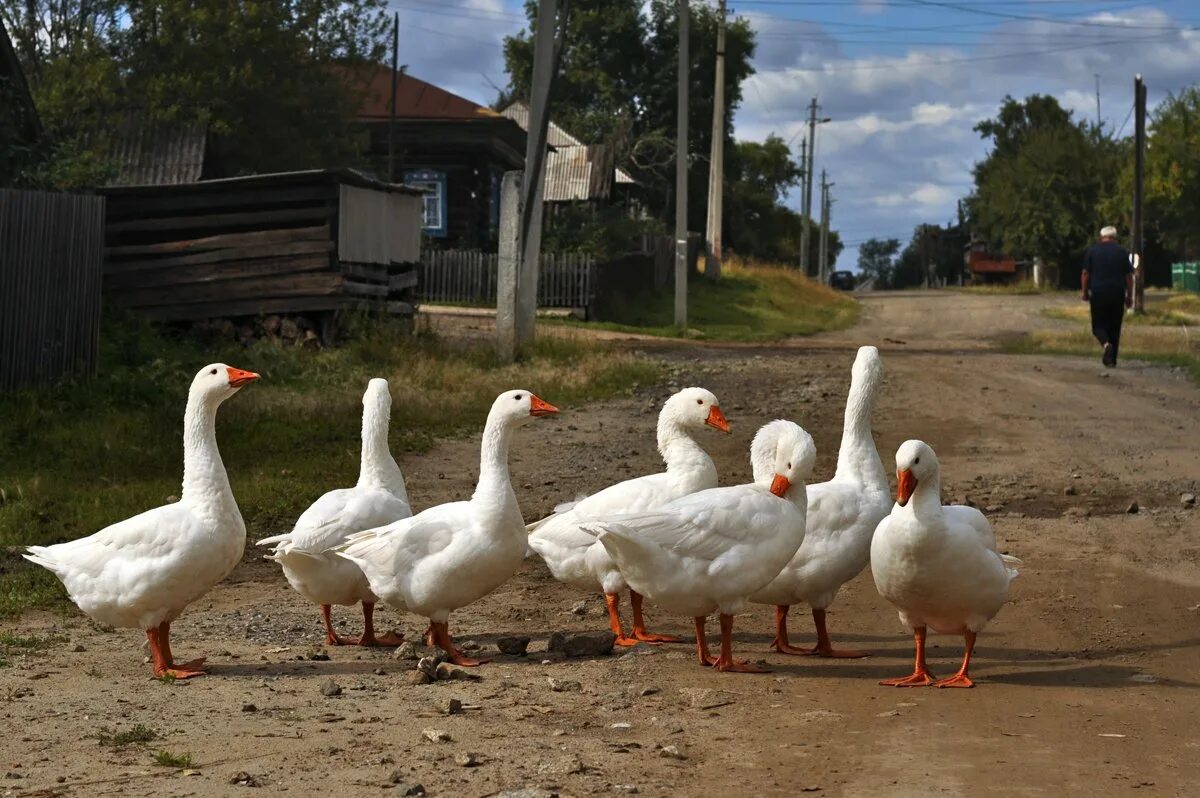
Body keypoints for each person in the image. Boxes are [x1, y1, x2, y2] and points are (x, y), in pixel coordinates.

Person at [1081, 225, 1133, 367]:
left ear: (1100, 237)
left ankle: (1105, 344)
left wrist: (1085, 292)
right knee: (1115, 327)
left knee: (1098, 326)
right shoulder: (1122, 252)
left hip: (1099, 293)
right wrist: (1129, 296)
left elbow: (1086, 273)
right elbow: (1129, 276)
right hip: (1117, 293)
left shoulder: (1092, 251)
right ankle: (1111, 360)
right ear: (1115, 238)